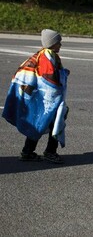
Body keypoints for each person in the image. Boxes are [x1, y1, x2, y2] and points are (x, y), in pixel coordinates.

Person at [2, 29, 69, 164]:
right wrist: (56, 97)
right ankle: (50, 152)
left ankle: (27, 152)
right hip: (47, 99)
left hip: (39, 97)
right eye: (58, 42)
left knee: (38, 122)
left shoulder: (46, 55)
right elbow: (48, 80)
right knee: (53, 122)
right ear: (52, 43)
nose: (60, 45)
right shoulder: (46, 57)